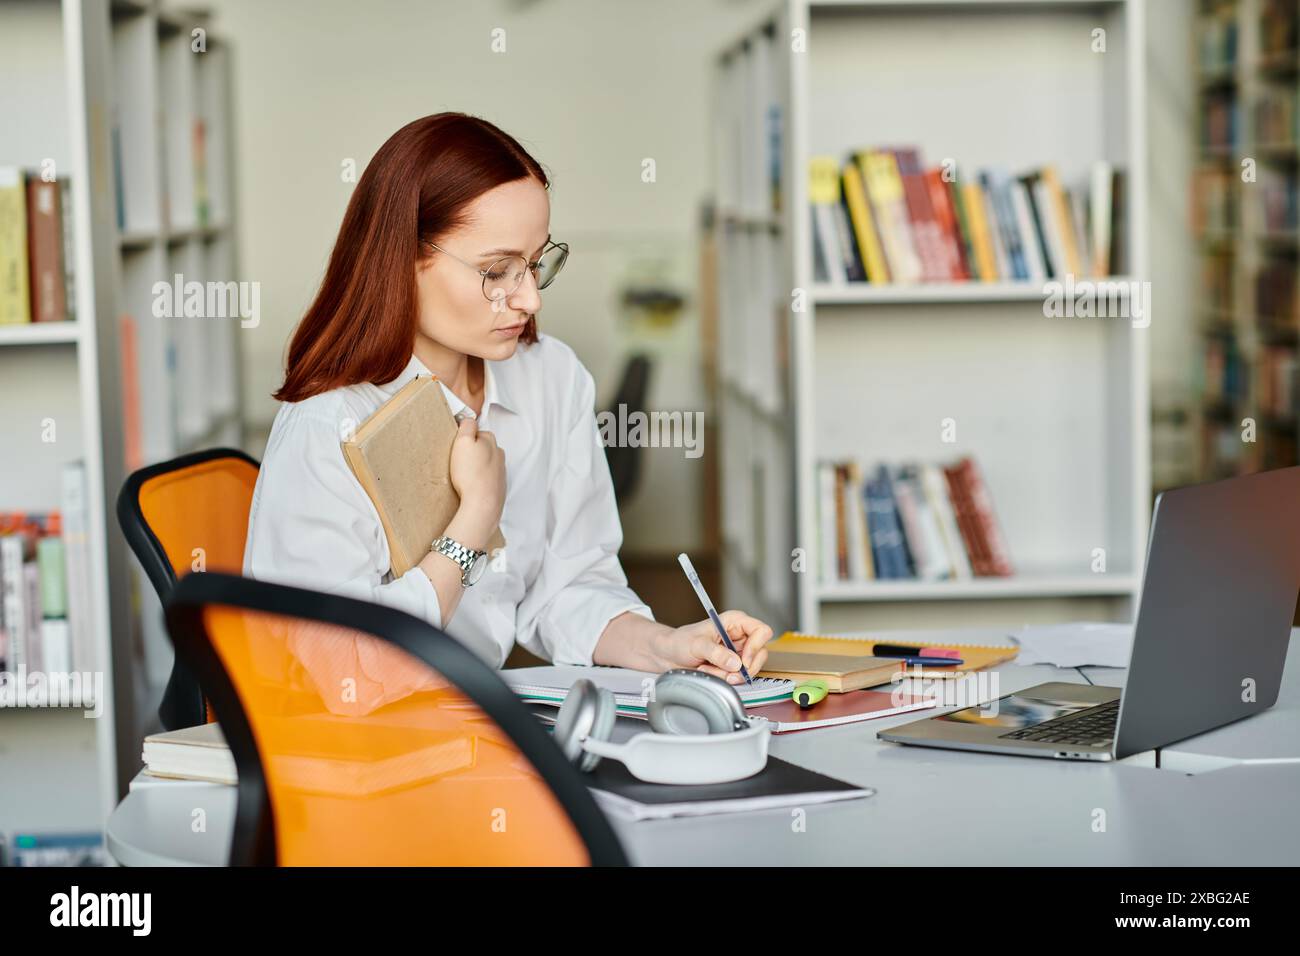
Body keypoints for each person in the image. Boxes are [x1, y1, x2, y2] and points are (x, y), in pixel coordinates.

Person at [244, 112, 773, 684]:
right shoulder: (330, 424)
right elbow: (345, 672)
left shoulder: (551, 376)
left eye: (536, 264)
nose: (527, 300)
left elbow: (569, 588)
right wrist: (473, 521)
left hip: (469, 722)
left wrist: (664, 646)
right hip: (355, 744)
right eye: (497, 271)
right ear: (404, 258)